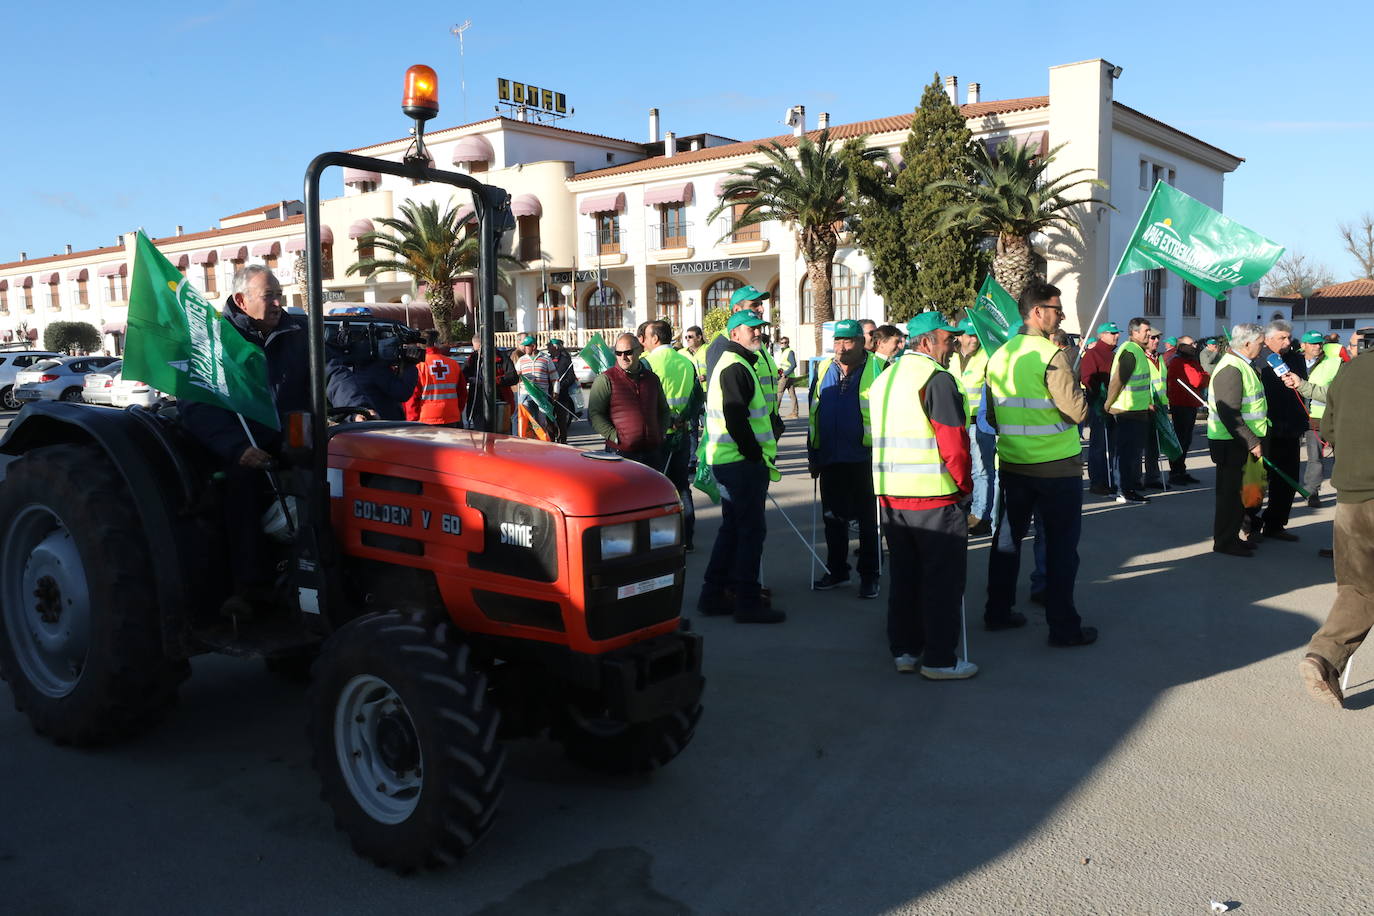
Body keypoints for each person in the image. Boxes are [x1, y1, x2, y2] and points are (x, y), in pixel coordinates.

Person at [179, 265, 373, 612]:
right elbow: (197, 404)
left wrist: (357, 407)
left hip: (295, 437)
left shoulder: (297, 333)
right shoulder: (214, 342)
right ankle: (250, 588)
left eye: (279, 295)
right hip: (244, 444)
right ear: (242, 300)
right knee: (242, 486)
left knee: (339, 475)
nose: (278, 303)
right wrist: (236, 447)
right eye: (269, 296)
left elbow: (331, 372)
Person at [983, 280, 1095, 647]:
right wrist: (1079, 386)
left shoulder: (998, 355)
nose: (1059, 316)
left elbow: (993, 417)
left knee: (1007, 542)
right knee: (1062, 548)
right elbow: (1077, 411)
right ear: (1037, 312)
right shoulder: (1051, 355)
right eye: (1057, 310)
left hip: (1014, 463)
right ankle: (1063, 627)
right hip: (1056, 466)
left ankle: (997, 612)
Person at [868, 312, 976, 679]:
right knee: (942, 581)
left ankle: (906, 650)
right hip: (933, 497)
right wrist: (965, 487)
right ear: (927, 342)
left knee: (905, 577)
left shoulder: (885, 378)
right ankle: (940, 659)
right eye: (948, 340)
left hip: (891, 497)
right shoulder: (935, 378)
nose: (954, 346)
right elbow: (954, 443)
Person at [1297, 334, 1374, 709]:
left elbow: (1326, 429)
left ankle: (1324, 657)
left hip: (1351, 498)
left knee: (1358, 589)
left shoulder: (1347, 371)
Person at [698, 310, 784, 623]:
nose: (758, 332)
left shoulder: (738, 362)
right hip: (740, 464)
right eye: (752, 329)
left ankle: (713, 595)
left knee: (733, 531)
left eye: (760, 327)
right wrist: (754, 456)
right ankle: (747, 603)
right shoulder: (735, 365)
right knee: (749, 533)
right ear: (735, 334)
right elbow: (736, 418)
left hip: (732, 461)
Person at [807, 319, 881, 598]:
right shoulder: (824, 367)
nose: (840, 347)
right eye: (837, 341)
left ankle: (869, 574)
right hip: (830, 456)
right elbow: (814, 412)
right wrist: (813, 453)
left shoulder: (878, 368)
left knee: (866, 520)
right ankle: (837, 571)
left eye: (847, 341)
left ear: (861, 343)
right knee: (832, 518)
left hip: (865, 457)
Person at [1205, 323, 1268, 557]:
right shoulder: (1231, 368)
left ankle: (1231, 537)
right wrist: (1252, 441)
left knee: (1237, 495)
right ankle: (1224, 542)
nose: (1262, 347)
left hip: (1237, 442)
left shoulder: (1242, 364)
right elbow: (1230, 414)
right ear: (1247, 343)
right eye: (1260, 343)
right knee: (1229, 496)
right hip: (1230, 443)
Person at [640, 320, 703, 550]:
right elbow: (697, 397)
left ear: (655, 339)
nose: (643, 342)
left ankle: (660, 540)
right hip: (682, 433)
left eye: (645, 337)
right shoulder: (686, 361)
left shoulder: (646, 363)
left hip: (657, 436)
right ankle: (688, 538)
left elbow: (643, 402)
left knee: (656, 487)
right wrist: (683, 418)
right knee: (682, 485)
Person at [1251, 319, 1305, 541]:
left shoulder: (1296, 360)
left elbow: (1302, 389)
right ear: (1268, 339)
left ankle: (1275, 524)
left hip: (1290, 428)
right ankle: (1250, 525)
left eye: (1289, 337)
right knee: (1258, 481)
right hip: (1266, 429)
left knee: (1287, 480)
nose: (1287, 341)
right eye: (1282, 337)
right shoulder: (1258, 361)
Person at [587, 332, 669, 467]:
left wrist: (660, 434)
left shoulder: (652, 379)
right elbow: (595, 414)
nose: (623, 357)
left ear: (639, 352)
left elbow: (664, 410)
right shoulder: (606, 379)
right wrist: (614, 436)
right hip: (620, 453)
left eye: (628, 352)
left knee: (651, 488)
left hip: (652, 453)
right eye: (618, 353)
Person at [1105, 317, 1155, 503]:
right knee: (1129, 455)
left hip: (1135, 410)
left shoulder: (1136, 351)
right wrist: (1108, 404)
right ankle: (1125, 490)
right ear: (1134, 333)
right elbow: (1118, 380)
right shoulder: (1131, 351)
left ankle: (1121, 488)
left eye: (1149, 331)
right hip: (1128, 411)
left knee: (1125, 453)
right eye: (1145, 331)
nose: (1149, 334)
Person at [954, 322, 994, 535]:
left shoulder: (986, 357)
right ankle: (960, 510)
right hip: (953, 423)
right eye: (969, 335)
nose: (974, 339)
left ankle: (980, 515)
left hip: (977, 424)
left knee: (981, 470)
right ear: (959, 337)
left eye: (976, 335)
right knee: (958, 469)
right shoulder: (949, 357)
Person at [338, 324, 419, 420]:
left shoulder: (354, 367)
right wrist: (409, 366)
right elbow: (402, 393)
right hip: (382, 424)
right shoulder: (377, 369)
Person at [1298, 330, 1341, 506]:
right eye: (1313, 343)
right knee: (1315, 458)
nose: (1317, 346)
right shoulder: (1296, 362)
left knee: (1341, 457)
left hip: (1332, 417)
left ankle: (1344, 491)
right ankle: (1312, 492)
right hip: (1311, 419)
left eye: (1319, 343)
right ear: (1303, 345)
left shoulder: (1333, 362)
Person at [1079, 322, 1121, 497]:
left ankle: (1111, 479)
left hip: (1114, 407)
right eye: (1112, 333)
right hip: (1099, 407)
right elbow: (1087, 379)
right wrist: (1098, 395)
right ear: (1102, 335)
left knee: (1112, 446)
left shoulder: (1114, 355)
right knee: (1099, 446)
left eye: (1117, 333)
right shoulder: (1092, 354)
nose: (1116, 336)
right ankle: (1098, 482)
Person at [1165, 335, 1209, 485]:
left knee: (1187, 439)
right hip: (1181, 404)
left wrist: (1202, 376)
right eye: (1191, 344)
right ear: (1182, 346)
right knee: (1181, 439)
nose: (1195, 346)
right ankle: (1175, 472)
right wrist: (1202, 376)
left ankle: (1181, 469)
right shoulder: (1179, 362)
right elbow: (1198, 380)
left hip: (1191, 403)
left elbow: (1205, 377)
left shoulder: (1191, 361)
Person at [405, 329, 466, 426]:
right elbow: (462, 393)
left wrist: (412, 421)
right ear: (437, 343)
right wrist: (456, 411)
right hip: (452, 417)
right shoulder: (453, 364)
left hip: (426, 419)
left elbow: (412, 396)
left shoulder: (418, 366)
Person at [463, 334, 518, 431]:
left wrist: (494, 381)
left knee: (501, 435)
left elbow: (513, 377)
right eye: (476, 350)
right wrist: (475, 380)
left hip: (499, 403)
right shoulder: (473, 359)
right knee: (480, 434)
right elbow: (463, 375)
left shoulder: (502, 358)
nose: (479, 353)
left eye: (480, 350)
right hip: (478, 404)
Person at [513, 334, 556, 437]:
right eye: (524, 345)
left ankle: (542, 441)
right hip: (525, 394)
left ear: (534, 346)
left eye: (527, 346)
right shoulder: (521, 360)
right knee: (525, 419)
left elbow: (555, 377)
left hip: (541, 395)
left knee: (541, 422)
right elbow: (515, 377)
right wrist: (517, 376)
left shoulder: (546, 359)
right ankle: (523, 441)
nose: (525, 348)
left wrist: (556, 392)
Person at [1141, 330, 1165, 490]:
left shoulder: (1160, 358)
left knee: (1154, 445)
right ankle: (1136, 480)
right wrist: (1147, 402)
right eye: (1153, 338)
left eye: (1158, 338)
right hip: (1145, 406)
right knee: (1142, 444)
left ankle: (1153, 477)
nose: (1156, 341)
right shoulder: (1141, 357)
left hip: (1161, 406)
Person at [775, 335, 800, 417]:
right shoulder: (783, 352)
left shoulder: (789, 351)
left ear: (788, 343)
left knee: (779, 393)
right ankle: (795, 413)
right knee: (792, 394)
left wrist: (785, 373)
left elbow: (793, 364)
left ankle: (775, 412)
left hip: (786, 376)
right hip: (789, 376)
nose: (783, 344)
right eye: (782, 343)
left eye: (785, 342)